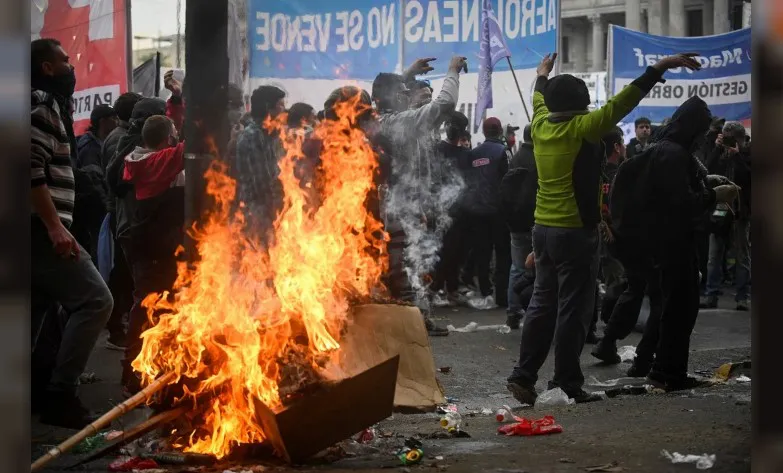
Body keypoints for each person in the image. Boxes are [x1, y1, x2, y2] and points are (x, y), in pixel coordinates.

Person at [506, 51, 703, 405]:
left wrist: (540, 74)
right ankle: (566, 382)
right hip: (575, 233)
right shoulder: (584, 128)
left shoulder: (539, 124)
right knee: (574, 309)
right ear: (582, 106)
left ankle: (523, 375)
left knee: (541, 303)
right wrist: (658, 67)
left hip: (542, 230)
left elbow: (537, 97)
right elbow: (624, 101)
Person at [610, 96, 740, 390]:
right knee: (679, 308)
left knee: (675, 306)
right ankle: (668, 372)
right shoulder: (674, 154)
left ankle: (666, 369)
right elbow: (681, 203)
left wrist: (707, 183)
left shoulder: (667, 150)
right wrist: (715, 196)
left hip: (665, 241)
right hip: (673, 242)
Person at [31, 37, 114, 428]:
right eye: (65, 60)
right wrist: (53, 226)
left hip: (38, 230)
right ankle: (60, 396)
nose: (72, 67)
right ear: (47, 67)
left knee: (34, 315)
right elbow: (26, 169)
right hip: (41, 231)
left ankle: (37, 395)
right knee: (97, 300)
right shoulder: (42, 106)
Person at [371, 56, 466, 336]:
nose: (406, 95)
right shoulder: (400, 123)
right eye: (402, 92)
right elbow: (445, 105)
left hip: (398, 205)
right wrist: (452, 71)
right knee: (409, 267)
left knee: (405, 266)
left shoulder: (374, 120)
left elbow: (382, 88)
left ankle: (410, 320)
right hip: (400, 209)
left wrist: (408, 73)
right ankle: (413, 325)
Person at [459, 117, 511, 310]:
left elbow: (466, 180)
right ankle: (502, 296)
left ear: (484, 131)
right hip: (497, 211)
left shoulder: (474, 154)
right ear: (499, 132)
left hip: (477, 211)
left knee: (483, 252)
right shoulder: (503, 152)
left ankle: (485, 291)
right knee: (503, 253)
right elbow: (508, 181)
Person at [701, 121, 752, 310]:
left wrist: (737, 157)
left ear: (740, 138)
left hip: (741, 211)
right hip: (721, 207)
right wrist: (716, 149)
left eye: (732, 138)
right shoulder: (719, 152)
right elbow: (706, 172)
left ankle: (742, 297)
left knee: (742, 255)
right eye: (726, 136)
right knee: (714, 254)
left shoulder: (748, 154)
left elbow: (748, 178)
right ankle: (711, 294)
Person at [232, 84, 286, 242]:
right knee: (259, 259)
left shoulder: (272, 135)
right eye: (280, 105)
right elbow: (262, 183)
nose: (284, 110)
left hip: (270, 211)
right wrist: (275, 210)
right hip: (256, 212)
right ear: (268, 108)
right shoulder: (252, 136)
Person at [431, 111, 472, 306]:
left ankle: (452, 289)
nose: (452, 129)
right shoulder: (436, 150)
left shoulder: (466, 155)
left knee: (456, 252)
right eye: (451, 124)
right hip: (440, 211)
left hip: (460, 212)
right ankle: (435, 288)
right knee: (441, 251)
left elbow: (470, 183)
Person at [502, 124, 536, 328]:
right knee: (535, 267)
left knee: (516, 267)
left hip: (515, 222)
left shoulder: (515, 158)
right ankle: (532, 310)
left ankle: (513, 311)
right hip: (532, 220)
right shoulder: (537, 159)